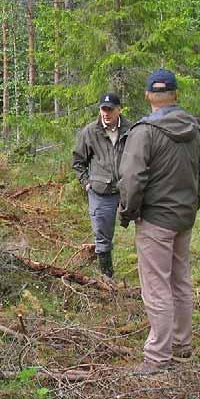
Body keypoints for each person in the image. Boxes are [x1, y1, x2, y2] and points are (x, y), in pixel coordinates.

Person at [119, 69, 200, 373]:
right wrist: (191, 207)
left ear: (148, 95)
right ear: (176, 95)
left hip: (156, 218)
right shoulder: (195, 129)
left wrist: (129, 212)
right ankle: (182, 345)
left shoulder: (144, 131)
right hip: (184, 217)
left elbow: (132, 178)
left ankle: (158, 357)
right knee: (180, 281)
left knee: (157, 286)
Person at [72, 93, 131, 277]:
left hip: (128, 189)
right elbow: (78, 161)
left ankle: (148, 271)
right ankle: (107, 278)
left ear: (119, 110)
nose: (106, 113)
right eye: (103, 109)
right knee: (102, 236)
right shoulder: (89, 132)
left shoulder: (132, 129)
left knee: (145, 228)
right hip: (100, 192)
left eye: (110, 109)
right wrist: (87, 183)